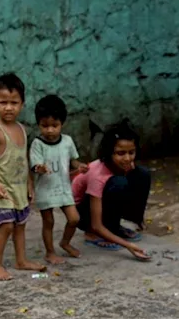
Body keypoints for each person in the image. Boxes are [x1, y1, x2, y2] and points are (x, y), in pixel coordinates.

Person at [0, 74, 41, 281]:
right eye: (2, 102)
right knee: (6, 227)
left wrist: (29, 184)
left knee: (20, 225)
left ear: (22, 104)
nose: (8, 107)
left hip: (19, 189)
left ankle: (21, 260)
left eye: (13, 103)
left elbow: (23, 160)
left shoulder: (22, 130)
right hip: (2, 190)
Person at [71, 123, 150, 261]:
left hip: (103, 202)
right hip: (82, 213)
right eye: (121, 153)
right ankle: (92, 235)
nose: (127, 158)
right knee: (118, 184)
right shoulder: (98, 175)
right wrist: (128, 246)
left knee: (142, 174)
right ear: (109, 152)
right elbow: (97, 224)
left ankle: (115, 226)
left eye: (131, 152)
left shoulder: (123, 165)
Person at [30, 94, 84, 263]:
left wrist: (79, 166)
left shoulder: (67, 141)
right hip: (45, 189)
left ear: (62, 123)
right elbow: (35, 165)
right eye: (45, 126)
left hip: (64, 188)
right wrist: (40, 168)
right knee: (49, 221)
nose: (50, 130)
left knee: (74, 218)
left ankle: (65, 243)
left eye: (55, 125)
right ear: (39, 124)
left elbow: (72, 160)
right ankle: (50, 252)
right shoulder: (37, 144)